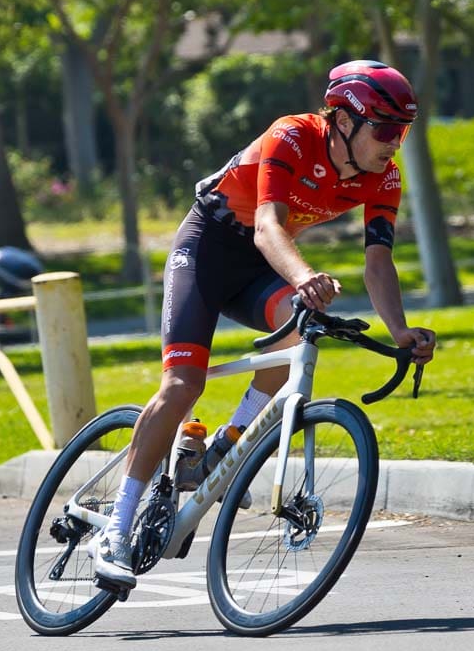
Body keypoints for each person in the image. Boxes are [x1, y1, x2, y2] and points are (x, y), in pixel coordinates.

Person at [91, 61, 438, 589]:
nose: (395, 142)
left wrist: (400, 332)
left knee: (302, 329)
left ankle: (227, 445)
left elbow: (377, 262)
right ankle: (114, 531)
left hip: (261, 267)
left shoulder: (383, 176)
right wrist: (303, 275)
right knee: (184, 383)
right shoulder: (292, 136)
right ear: (344, 120)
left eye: (403, 131)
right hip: (208, 247)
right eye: (385, 129)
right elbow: (268, 225)